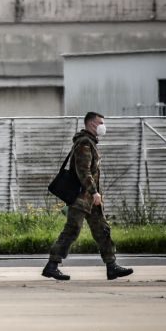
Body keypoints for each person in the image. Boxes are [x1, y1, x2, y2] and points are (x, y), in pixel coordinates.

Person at [42, 112, 133, 281]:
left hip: (90, 199)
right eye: (100, 122)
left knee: (102, 230)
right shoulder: (84, 143)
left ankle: (111, 266)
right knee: (72, 230)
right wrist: (94, 192)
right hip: (81, 197)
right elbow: (83, 171)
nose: (103, 126)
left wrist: (95, 195)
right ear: (91, 124)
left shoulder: (90, 142)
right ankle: (52, 265)